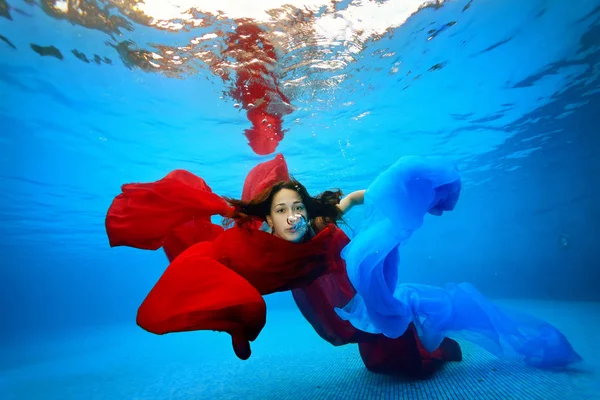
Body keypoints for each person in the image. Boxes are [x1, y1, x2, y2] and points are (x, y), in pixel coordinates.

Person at [105, 153, 581, 376]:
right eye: (281, 213)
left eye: (298, 211)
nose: (292, 220)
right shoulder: (240, 234)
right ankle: (237, 324)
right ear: (264, 218)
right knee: (246, 308)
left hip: (309, 272)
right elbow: (207, 253)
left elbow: (350, 199)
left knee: (378, 330)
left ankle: (409, 342)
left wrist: (383, 196)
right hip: (244, 272)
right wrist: (237, 319)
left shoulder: (318, 229)